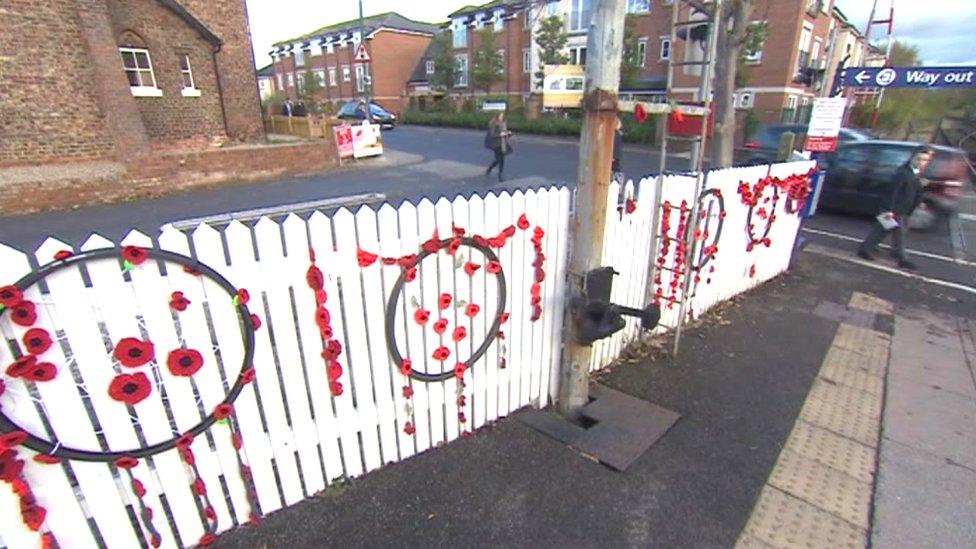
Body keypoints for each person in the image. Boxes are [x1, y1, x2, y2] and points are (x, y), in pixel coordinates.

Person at [857, 146, 935, 270]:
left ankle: (865, 249)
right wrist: (888, 210)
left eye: (925, 160)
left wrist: (920, 201)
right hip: (895, 210)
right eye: (918, 159)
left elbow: (915, 190)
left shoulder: (917, 173)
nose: (921, 162)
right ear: (912, 158)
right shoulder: (903, 173)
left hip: (904, 210)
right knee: (899, 235)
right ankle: (901, 258)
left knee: (881, 230)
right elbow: (893, 192)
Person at [485, 112, 512, 182]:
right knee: (501, 160)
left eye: (502, 116)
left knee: (498, 160)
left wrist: (508, 133)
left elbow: (505, 133)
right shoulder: (494, 124)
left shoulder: (504, 123)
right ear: (497, 116)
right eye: (500, 116)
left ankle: (490, 169)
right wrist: (500, 134)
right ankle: (500, 175)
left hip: (503, 143)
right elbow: (492, 134)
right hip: (496, 144)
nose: (502, 117)